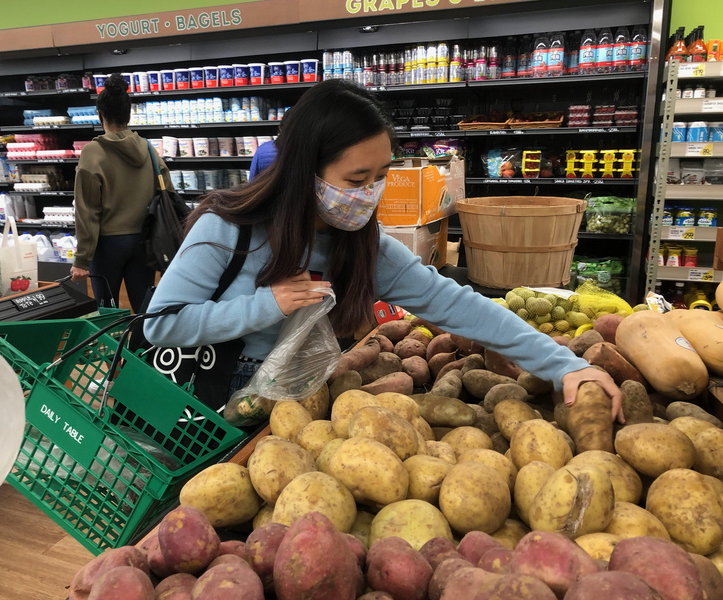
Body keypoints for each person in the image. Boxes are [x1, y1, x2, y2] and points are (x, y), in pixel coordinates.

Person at [144, 80, 623, 420]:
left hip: (295, 407)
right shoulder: (225, 227)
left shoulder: (364, 249)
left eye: (379, 177)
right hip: (201, 408)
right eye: (355, 180)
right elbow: (160, 323)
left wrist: (565, 366)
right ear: (302, 169)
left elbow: (457, 305)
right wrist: (265, 306)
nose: (368, 194)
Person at [70, 73, 174, 312]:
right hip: (144, 240)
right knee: (143, 310)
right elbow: (167, 191)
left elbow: (87, 210)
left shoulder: (93, 152)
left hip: (107, 245)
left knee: (107, 311)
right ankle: (140, 349)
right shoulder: (149, 150)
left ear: (100, 115)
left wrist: (82, 259)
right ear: (129, 115)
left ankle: (111, 349)